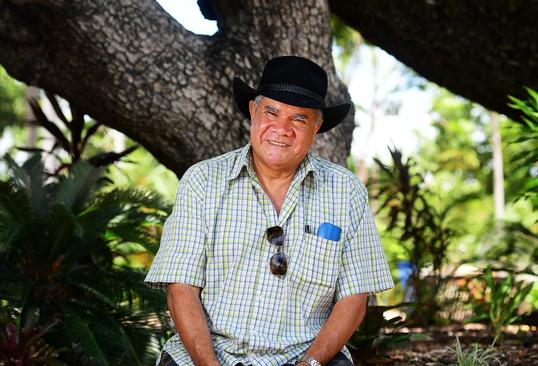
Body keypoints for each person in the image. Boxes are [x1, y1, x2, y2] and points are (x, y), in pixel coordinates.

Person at [145, 55, 394, 366]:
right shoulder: (203, 181)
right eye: (271, 112)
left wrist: (310, 364)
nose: (282, 129)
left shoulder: (346, 191)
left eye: (299, 119)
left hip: (306, 357)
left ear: (316, 127)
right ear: (253, 111)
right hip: (205, 356)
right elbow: (181, 288)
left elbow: (355, 297)